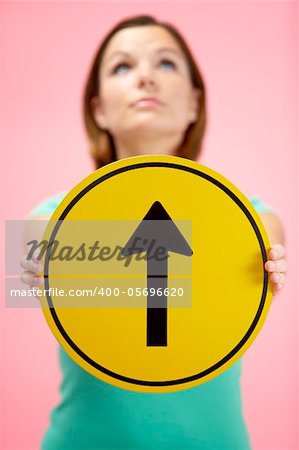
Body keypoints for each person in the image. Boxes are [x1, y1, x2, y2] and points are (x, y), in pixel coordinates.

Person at [21, 15, 287, 450]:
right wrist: (46, 270)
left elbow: (265, 246)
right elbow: (38, 258)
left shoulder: (254, 215)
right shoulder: (51, 216)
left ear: (195, 105)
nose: (145, 77)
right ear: (99, 109)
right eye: (122, 67)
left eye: (165, 64)